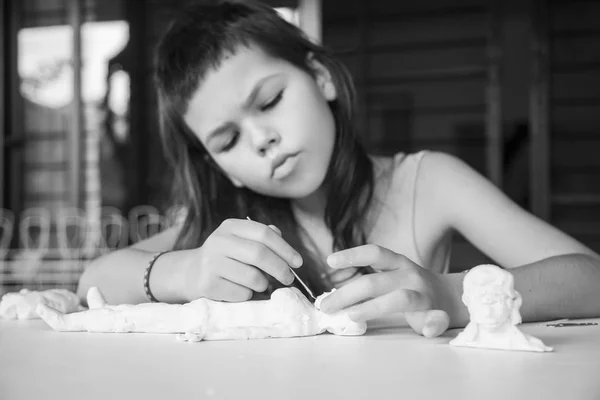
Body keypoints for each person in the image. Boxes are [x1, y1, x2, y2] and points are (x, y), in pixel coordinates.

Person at [77, 0, 600, 338]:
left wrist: (451, 294)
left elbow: (591, 279)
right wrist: (185, 270)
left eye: (271, 100)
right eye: (229, 140)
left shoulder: (428, 181)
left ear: (322, 78)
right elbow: (93, 282)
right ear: (222, 167)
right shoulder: (226, 220)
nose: (263, 141)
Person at [449, 264, 552, 352]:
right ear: (466, 301)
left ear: (511, 301)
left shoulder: (527, 344)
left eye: (495, 302)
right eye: (479, 303)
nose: (487, 312)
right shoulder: (463, 340)